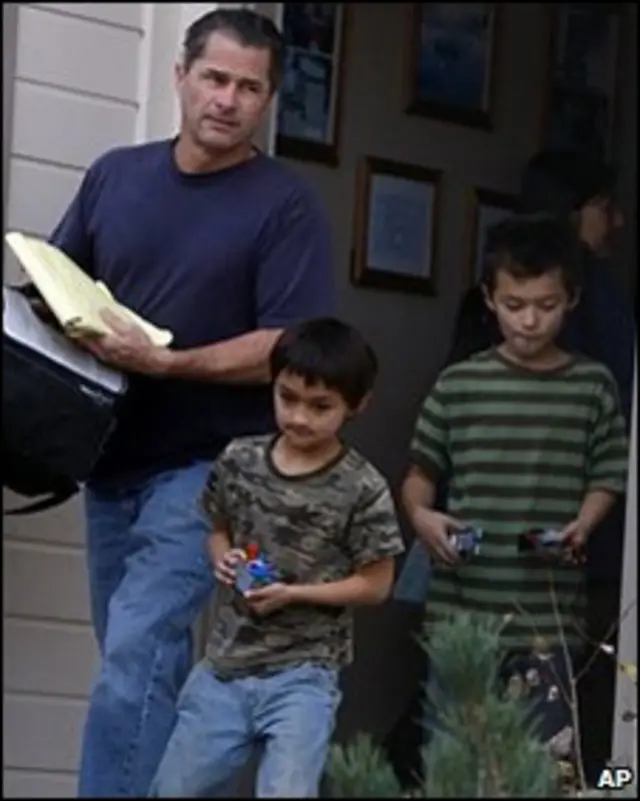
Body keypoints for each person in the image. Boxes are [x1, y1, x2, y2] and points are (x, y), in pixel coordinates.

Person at [40, 8, 335, 797]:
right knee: (139, 665)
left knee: (136, 654)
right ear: (180, 75)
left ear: (268, 99)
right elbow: (59, 285)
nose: (228, 100)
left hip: (206, 471)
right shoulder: (116, 175)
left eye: (249, 87)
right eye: (214, 78)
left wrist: (167, 362)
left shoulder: (284, 204)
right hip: (107, 460)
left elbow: (288, 341)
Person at [387, 149, 635, 786]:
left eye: (546, 306)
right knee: (452, 759)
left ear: (571, 300)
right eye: (516, 304)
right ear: (491, 299)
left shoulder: (592, 385)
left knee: (543, 766)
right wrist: (423, 518)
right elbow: (420, 472)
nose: (530, 320)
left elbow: (610, 470)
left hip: (546, 618)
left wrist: (584, 523)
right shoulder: (460, 386)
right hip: (461, 614)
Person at [149, 318, 405, 797]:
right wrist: (224, 559)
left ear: (357, 405)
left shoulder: (363, 487)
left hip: (304, 676)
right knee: (173, 789)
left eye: (320, 406)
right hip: (226, 665)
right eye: (287, 398)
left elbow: (377, 583)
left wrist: (295, 594)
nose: (300, 417)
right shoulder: (240, 460)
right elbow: (218, 528)